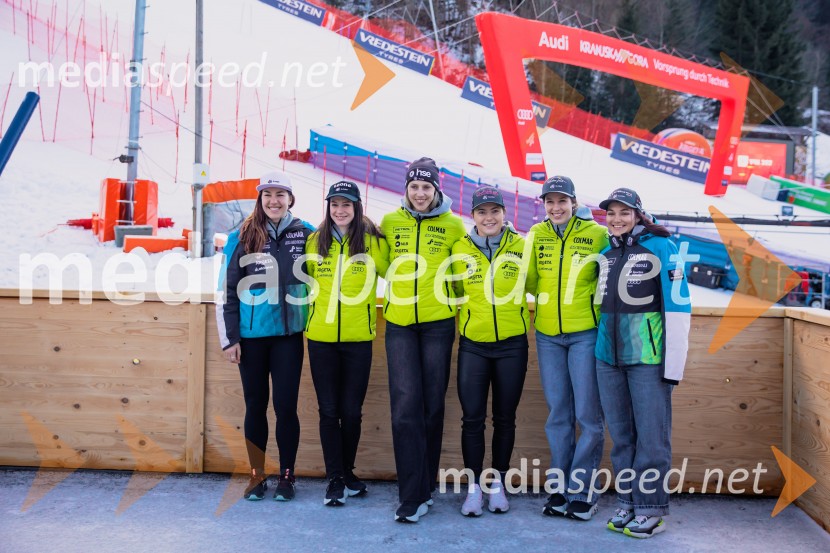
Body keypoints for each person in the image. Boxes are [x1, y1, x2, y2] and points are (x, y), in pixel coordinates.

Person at [595, 187, 691, 538]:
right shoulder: (606, 253)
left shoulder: (661, 247)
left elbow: (679, 307)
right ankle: (629, 501)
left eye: (625, 212)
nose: (617, 219)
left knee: (651, 436)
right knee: (621, 437)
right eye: (611, 213)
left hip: (648, 359)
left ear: (638, 214)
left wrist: (673, 364)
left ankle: (651, 508)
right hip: (608, 359)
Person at [216, 171, 314, 502]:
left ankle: (287, 475)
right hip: (252, 336)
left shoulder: (306, 233)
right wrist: (230, 338)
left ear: (290, 199)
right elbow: (226, 289)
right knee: (255, 405)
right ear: (260, 199)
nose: (273, 200)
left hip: (288, 335)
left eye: (280, 194)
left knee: (286, 406)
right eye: (267, 194)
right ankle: (257, 475)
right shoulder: (242, 235)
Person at [381, 157, 466, 523]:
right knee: (404, 408)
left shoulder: (453, 225)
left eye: (426, 187)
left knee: (432, 406)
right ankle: (411, 494)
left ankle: (426, 484)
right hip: (399, 322)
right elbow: (383, 264)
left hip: (438, 324)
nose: (419, 193)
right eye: (414, 187)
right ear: (406, 188)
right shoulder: (390, 222)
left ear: (436, 190)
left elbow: (463, 270)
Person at [529, 175, 609, 521]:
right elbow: (530, 280)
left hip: (584, 334)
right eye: (550, 201)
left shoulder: (597, 234)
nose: (556, 207)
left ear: (574, 202)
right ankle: (559, 489)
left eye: (562, 201)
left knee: (588, 416)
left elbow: (606, 280)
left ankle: (583, 491)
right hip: (548, 335)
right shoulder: (537, 235)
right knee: (558, 414)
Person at [304, 181, 389, 506]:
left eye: (347, 205)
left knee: (352, 412)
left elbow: (395, 274)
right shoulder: (314, 242)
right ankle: (335, 478)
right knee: (329, 411)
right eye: (335, 204)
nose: (340, 210)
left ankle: (348, 472)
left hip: (358, 339)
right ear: (328, 207)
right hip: (321, 340)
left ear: (357, 208)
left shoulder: (372, 243)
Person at [451, 187, 531, 517]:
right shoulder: (460, 248)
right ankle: (473, 488)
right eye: (482, 212)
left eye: (494, 211)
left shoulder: (521, 247)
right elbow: (454, 288)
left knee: (504, 418)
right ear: (473, 216)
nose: (489, 218)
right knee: (472, 419)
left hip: (512, 345)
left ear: (504, 213)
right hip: (474, 345)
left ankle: (496, 484)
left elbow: (536, 284)